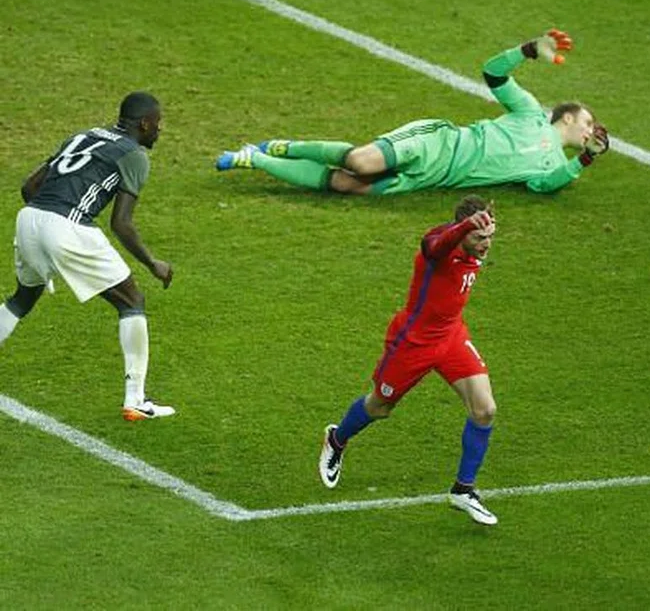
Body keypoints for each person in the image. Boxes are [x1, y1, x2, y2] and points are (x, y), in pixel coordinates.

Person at [215, 29, 610, 195]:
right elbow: (492, 73)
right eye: (588, 122)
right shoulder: (530, 112)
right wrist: (525, 51)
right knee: (359, 161)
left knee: (349, 185)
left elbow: (548, 185)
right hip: (439, 144)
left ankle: (256, 159)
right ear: (568, 116)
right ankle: (280, 147)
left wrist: (586, 159)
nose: (590, 130)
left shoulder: (552, 165)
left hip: (437, 178)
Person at [319, 195, 502, 525]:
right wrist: (464, 227)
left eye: (489, 237)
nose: (485, 244)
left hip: (451, 337)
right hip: (413, 342)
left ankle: (463, 489)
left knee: (485, 410)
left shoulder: (473, 249)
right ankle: (337, 438)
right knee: (380, 406)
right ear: (462, 231)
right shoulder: (440, 248)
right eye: (478, 237)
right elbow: (431, 245)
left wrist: (475, 230)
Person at [0, 92, 176, 421]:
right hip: (67, 225)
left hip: (29, 218)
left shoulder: (85, 135)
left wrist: (45, 224)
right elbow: (121, 224)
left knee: (22, 298)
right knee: (132, 301)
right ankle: (136, 399)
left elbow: (29, 187)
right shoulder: (134, 155)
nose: (159, 130)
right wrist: (153, 263)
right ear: (144, 123)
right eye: (158, 123)